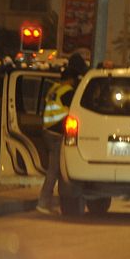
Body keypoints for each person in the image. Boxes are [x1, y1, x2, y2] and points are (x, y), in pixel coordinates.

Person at [37, 53, 87, 214]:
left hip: (48, 131)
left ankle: (50, 202)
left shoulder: (54, 88)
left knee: (57, 169)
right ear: (71, 79)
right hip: (57, 134)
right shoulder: (68, 92)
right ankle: (43, 202)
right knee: (54, 170)